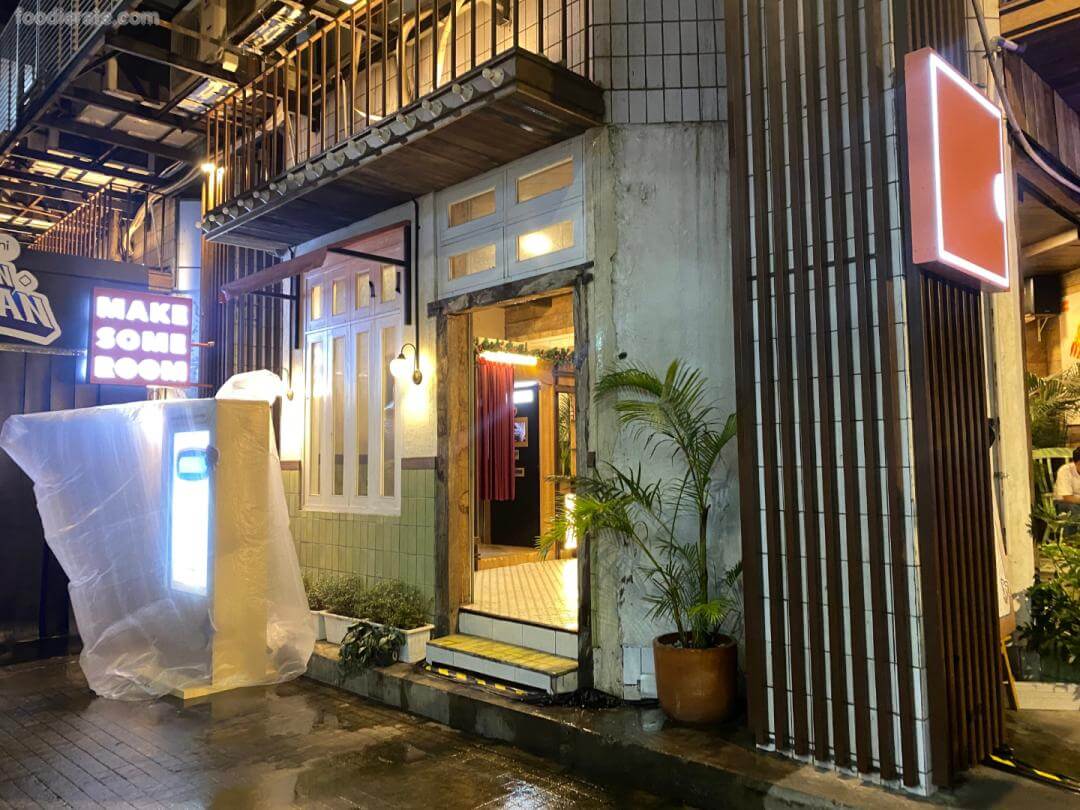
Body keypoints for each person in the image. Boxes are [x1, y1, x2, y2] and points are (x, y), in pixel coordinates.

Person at [1054, 448, 1080, 534]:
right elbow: (1067, 497)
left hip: (1077, 503)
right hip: (1062, 502)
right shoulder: (1065, 470)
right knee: (1074, 510)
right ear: (1076, 463)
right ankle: (1070, 538)